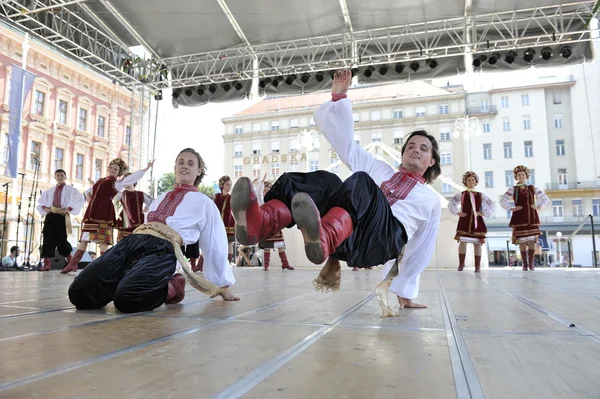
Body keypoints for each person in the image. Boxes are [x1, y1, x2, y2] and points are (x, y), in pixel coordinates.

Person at [231, 69, 441, 312]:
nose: (415, 150)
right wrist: (339, 99)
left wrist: (404, 292)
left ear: (432, 161)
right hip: (348, 235)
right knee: (325, 180)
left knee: (362, 181)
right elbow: (348, 147)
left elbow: (421, 249)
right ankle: (260, 223)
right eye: (411, 146)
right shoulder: (379, 167)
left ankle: (325, 236)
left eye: (423, 148)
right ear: (403, 153)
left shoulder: (430, 200)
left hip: (380, 241)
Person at [67, 148, 239, 314]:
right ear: (175, 168)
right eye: (180, 162)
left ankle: (173, 286)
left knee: (128, 299)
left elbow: (215, 242)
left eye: (190, 163)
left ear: (199, 171)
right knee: (79, 294)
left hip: (163, 249)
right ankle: (124, 281)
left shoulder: (205, 202)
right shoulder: (162, 196)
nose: (184, 165)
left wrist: (221, 285)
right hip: (133, 241)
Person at [60, 158, 154, 274]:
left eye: (116, 169)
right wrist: (85, 203)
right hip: (92, 214)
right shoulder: (100, 181)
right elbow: (88, 193)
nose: (112, 170)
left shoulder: (117, 184)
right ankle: (73, 263)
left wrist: (146, 168)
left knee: (102, 241)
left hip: (104, 215)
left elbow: (131, 178)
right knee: (84, 238)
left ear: (119, 172)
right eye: (111, 167)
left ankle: (103, 267)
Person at [500, 165, 549, 271]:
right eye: (518, 175)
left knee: (532, 240)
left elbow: (544, 198)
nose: (521, 176)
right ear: (516, 177)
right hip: (519, 217)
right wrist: (511, 208)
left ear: (526, 176)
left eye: (523, 174)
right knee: (521, 241)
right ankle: (525, 263)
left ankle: (531, 263)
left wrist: (538, 206)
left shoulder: (533, 187)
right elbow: (503, 199)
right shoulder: (513, 189)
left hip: (532, 217)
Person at [36, 169, 85, 271]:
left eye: (62, 175)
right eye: (57, 175)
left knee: (61, 240)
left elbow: (80, 199)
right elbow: (41, 202)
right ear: (55, 177)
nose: (59, 177)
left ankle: (71, 262)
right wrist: (45, 208)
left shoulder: (70, 190)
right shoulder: (50, 190)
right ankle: (47, 264)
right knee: (47, 238)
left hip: (62, 216)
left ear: (65, 177)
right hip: (50, 216)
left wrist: (69, 208)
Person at [448, 171, 495, 272]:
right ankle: (461, 264)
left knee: (477, 243)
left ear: (476, 181)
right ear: (466, 182)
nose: (471, 181)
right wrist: (457, 212)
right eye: (469, 180)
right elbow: (452, 202)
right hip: (465, 221)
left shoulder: (481, 195)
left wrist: (484, 213)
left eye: (473, 180)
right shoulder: (462, 194)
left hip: (477, 221)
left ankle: (477, 266)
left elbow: (491, 204)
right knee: (463, 242)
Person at [253, 175, 294, 271]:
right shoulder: (261, 201)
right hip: (267, 227)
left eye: (268, 191)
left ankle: (285, 263)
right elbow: (257, 193)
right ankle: (266, 265)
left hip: (276, 226)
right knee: (267, 247)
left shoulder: (274, 201)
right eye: (265, 191)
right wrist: (261, 182)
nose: (266, 192)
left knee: (281, 246)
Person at [115, 174, 153, 242]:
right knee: (123, 243)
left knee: (136, 242)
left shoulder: (141, 194)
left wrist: (146, 209)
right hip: (125, 222)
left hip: (138, 222)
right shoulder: (121, 194)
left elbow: (152, 203)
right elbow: (110, 199)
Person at [214, 175, 235, 264]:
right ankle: (204, 263)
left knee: (229, 242)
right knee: (215, 242)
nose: (229, 186)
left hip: (228, 222)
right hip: (217, 222)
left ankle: (228, 262)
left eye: (230, 185)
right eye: (227, 184)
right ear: (222, 185)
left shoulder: (231, 197)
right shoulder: (216, 196)